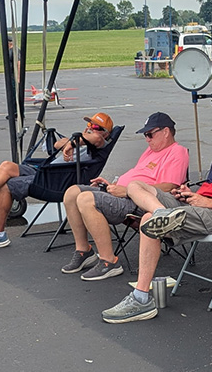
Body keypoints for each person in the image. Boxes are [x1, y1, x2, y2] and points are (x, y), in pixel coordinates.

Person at [101, 107, 212, 323]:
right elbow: (211, 188)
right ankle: (162, 212)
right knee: (136, 186)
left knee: (148, 221)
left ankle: (141, 298)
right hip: (199, 205)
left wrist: (205, 201)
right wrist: (189, 195)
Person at [0, 112, 114, 250]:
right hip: (48, 172)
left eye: (94, 126)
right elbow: (57, 144)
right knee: (7, 166)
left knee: (7, 185)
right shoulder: (81, 141)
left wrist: (75, 142)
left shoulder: (99, 143)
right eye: (88, 124)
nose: (89, 128)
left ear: (105, 133)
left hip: (56, 181)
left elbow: (95, 138)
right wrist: (71, 143)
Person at [61, 112, 189, 281]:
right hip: (122, 192)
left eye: (150, 134)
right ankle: (84, 250)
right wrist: (113, 185)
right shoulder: (151, 151)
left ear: (166, 132)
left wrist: (126, 190)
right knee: (72, 193)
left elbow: (169, 187)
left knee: (85, 199)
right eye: (145, 135)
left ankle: (109, 262)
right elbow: (137, 175)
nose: (147, 139)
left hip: (139, 202)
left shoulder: (177, 152)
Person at [7, 37, 23, 120]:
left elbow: (18, 63)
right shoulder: (9, 51)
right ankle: (13, 111)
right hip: (10, 75)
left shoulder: (15, 50)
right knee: (12, 94)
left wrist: (18, 77)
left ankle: (17, 112)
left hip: (14, 75)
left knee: (14, 94)